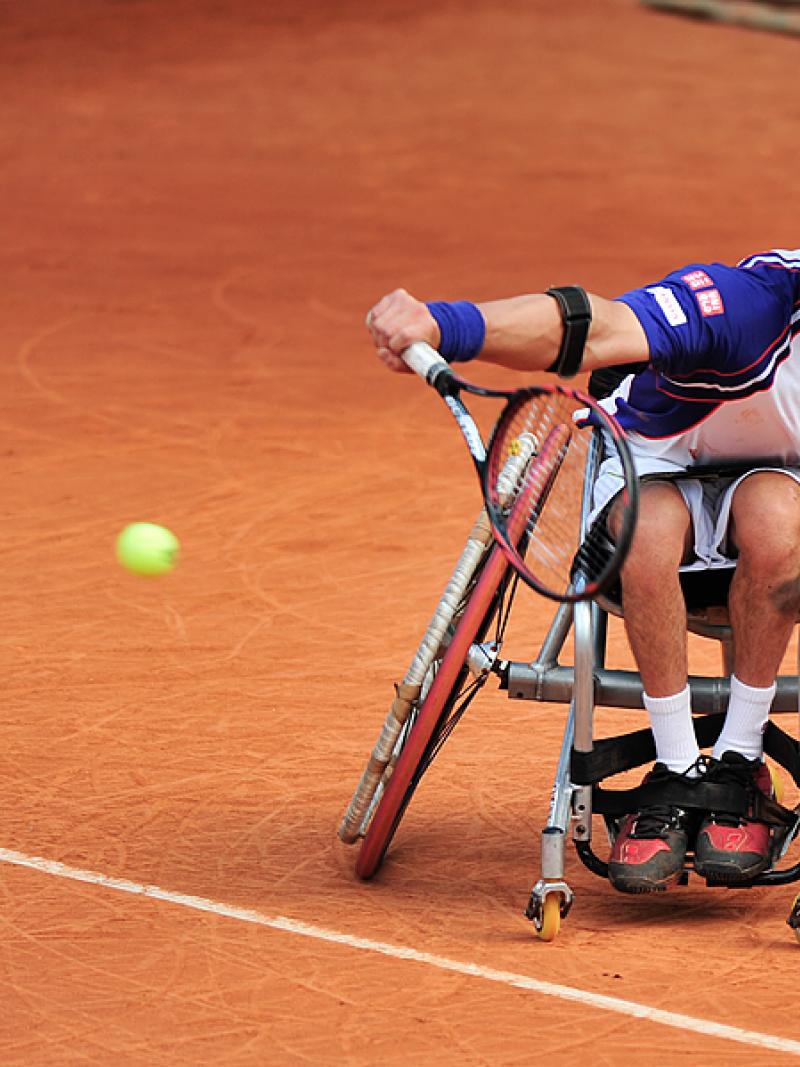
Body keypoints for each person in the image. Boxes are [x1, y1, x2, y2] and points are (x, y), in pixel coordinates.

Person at [365, 249, 800, 894]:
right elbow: (594, 328)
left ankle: (739, 760)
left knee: (776, 518)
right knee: (646, 532)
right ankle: (677, 768)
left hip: (783, 484)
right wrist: (445, 324)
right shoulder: (746, 307)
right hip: (658, 458)